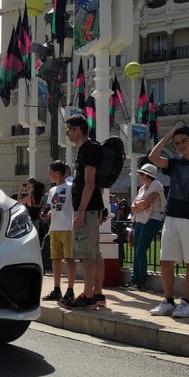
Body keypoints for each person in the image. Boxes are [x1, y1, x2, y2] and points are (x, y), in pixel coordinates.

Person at [148, 126, 189, 318]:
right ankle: (168, 301)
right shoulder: (174, 163)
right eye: (177, 143)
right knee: (165, 260)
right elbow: (153, 158)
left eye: (184, 141)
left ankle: (186, 303)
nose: (181, 146)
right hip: (172, 216)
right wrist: (168, 136)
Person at [61, 114, 105, 310]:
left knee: (87, 255)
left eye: (68, 129)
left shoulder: (89, 149)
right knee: (94, 254)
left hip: (86, 210)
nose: (67, 134)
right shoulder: (89, 149)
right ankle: (96, 294)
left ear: (78, 129)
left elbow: (90, 183)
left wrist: (80, 212)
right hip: (91, 209)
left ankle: (88, 296)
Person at [122, 164, 166, 290]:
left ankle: (140, 282)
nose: (139, 177)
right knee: (137, 250)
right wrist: (139, 205)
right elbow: (134, 206)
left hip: (153, 220)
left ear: (147, 175)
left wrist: (139, 205)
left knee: (140, 250)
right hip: (141, 220)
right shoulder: (142, 189)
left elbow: (145, 204)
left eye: (141, 174)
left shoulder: (156, 185)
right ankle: (135, 279)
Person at [41, 160, 76, 304]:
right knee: (56, 260)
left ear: (57, 173)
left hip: (68, 228)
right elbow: (53, 207)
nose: (48, 174)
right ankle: (57, 289)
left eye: (50, 172)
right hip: (54, 228)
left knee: (69, 259)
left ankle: (70, 290)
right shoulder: (52, 191)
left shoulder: (70, 187)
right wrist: (47, 214)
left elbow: (74, 205)